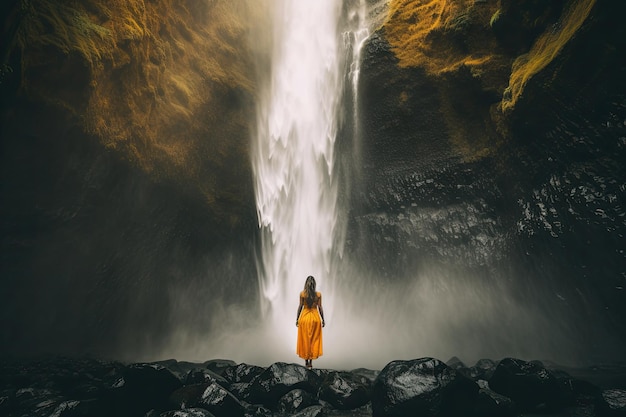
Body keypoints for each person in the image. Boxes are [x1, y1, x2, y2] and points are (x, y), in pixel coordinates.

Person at [296, 275, 325, 369]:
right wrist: (323, 319)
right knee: (313, 340)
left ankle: (306, 361)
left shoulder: (302, 294)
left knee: (305, 339)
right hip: (315, 318)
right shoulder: (318, 295)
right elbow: (320, 307)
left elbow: (300, 306)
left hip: (304, 318)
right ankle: (311, 363)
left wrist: (297, 319)